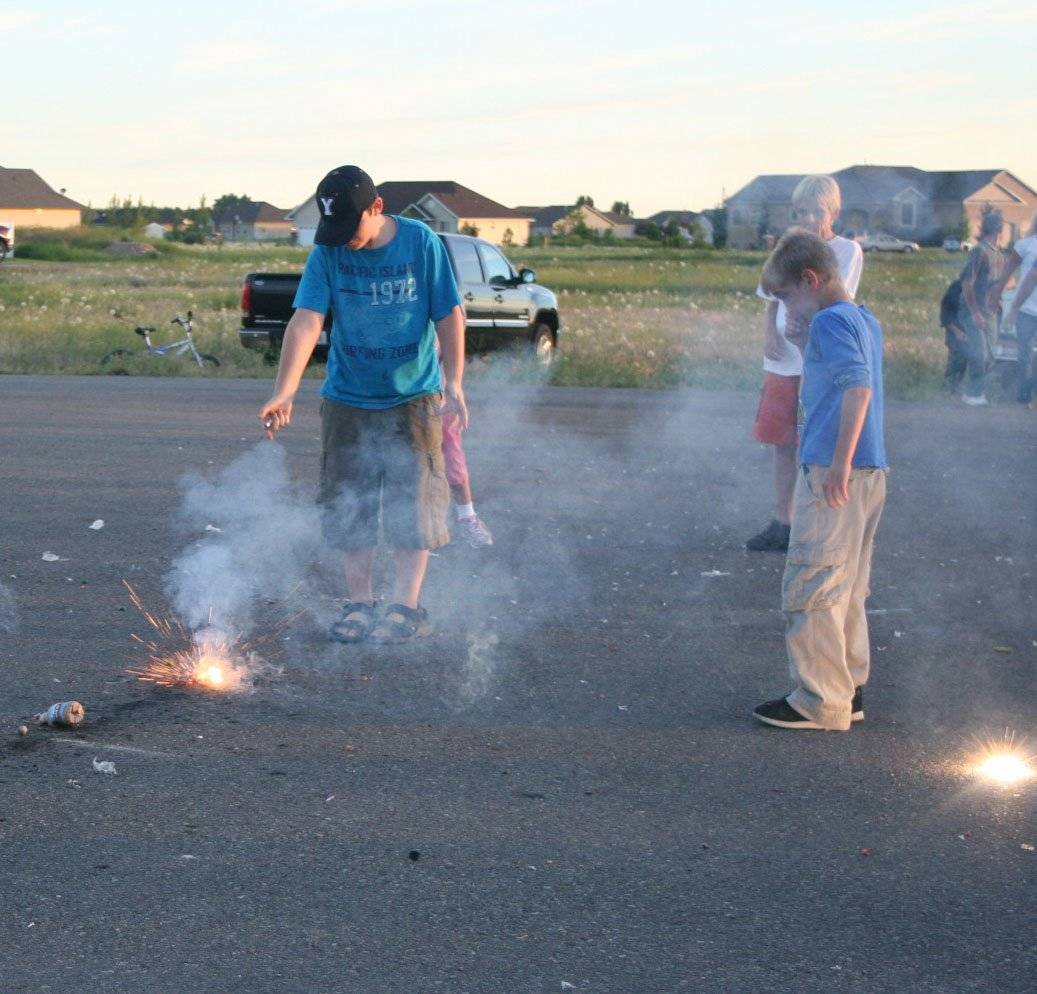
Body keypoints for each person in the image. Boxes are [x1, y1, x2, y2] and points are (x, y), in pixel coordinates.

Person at [259, 165, 467, 644]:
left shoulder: (420, 243)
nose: (342, 240)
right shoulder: (329, 250)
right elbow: (307, 319)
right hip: (347, 397)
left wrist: (454, 383)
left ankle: (406, 607)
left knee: (411, 503)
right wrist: (285, 389)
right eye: (333, 229)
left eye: (349, 228)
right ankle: (359, 603)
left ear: (376, 209)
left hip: (413, 395)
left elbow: (449, 315)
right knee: (348, 504)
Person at [752, 231, 887, 731]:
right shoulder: (860, 317)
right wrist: (801, 336)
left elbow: (858, 387)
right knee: (846, 586)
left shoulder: (832, 320)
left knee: (812, 582)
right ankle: (847, 689)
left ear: (811, 279)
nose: (785, 304)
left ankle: (819, 700)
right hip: (871, 473)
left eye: (786, 294)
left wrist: (838, 463)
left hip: (836, 473)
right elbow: (842, 375)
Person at [746, 176, 863, 552]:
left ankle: (815, 523)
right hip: (782, 359)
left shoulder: (845, 251)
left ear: (834, 213)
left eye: (818, 211)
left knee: (814, 440)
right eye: (803, 211)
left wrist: (807, 329)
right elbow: (772, 293)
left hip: (814, 356)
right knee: (782, 440)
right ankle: (783, 520)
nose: (810, 218)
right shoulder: (789, 246)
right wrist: (770, 333)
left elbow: (836, 298)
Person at [958, 207, 1006, 407]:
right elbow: (967, 282)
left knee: (991, 357)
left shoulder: (999, 255)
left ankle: (977, 394)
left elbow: (1002, 280)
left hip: (991, 312)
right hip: (974, 311)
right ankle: (972, 395)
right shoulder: (980, 251)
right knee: (980, 354)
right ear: (999, 230)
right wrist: (975, 312)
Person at [994, 213, 1037, 407]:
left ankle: (1026, 394)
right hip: (1027, 309)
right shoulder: (1024, 245)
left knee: (1025, 354)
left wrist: (1013, 308)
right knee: (1024, 355)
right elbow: (1007, 272)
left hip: (1024, 308)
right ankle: (1024, 398)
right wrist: (996, 295)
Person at [939, 277, 968, 392]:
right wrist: (957, 332)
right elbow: (945, 316)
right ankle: (949, 388)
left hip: (975, 331)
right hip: (956, 330)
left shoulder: (985, 286)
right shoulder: (956, 288)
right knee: (958, 358)